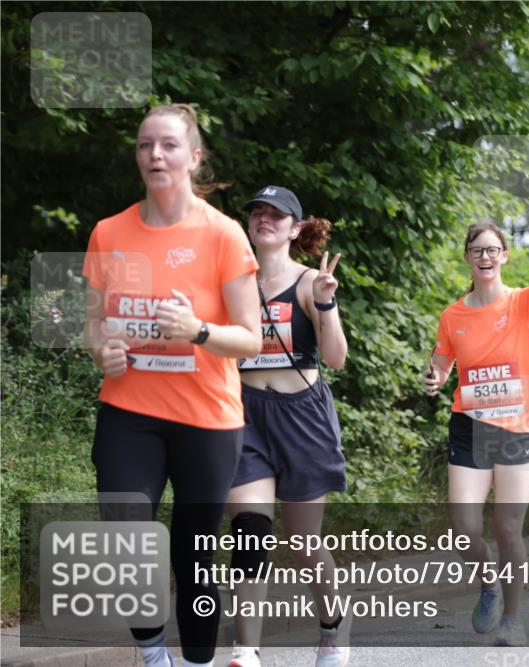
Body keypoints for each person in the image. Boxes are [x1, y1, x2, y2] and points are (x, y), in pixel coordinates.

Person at [83, 103, 262, 667]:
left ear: (194, 157)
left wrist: (200, 331)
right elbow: (93, 322)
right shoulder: (110, 233)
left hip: (206, 419)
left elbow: (252, 339)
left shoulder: (222, 235)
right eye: (144, 145)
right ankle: (153, 652)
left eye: (167, 145)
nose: (154, 155)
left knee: (194, 549)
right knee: (126, 528)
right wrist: (101, 349)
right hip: (129, 410)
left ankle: (198, 661)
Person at [423, 186, 529, 647]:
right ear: (468, 259)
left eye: (492, 249)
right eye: (477, 250)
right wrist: (433, 377)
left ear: (504, 256)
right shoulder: (452, 315)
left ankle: (513, 617)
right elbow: (441, 363)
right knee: (465, 529)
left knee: (508, 527)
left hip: (519, 429)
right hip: (470, 428)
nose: (485, 256)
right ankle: (488, 582)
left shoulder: (524, 303)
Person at [225, 186, 349, 667]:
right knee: (250, 533)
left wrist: (325, 305)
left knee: (303, 545)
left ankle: (331, 632)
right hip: (246, 413)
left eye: (276, 215)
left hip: (302, 416)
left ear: (295, 228)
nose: (264, 219)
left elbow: (336, 358)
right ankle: (246, 651)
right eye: (257, 211)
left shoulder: (309, 282)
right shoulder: (233, 282)